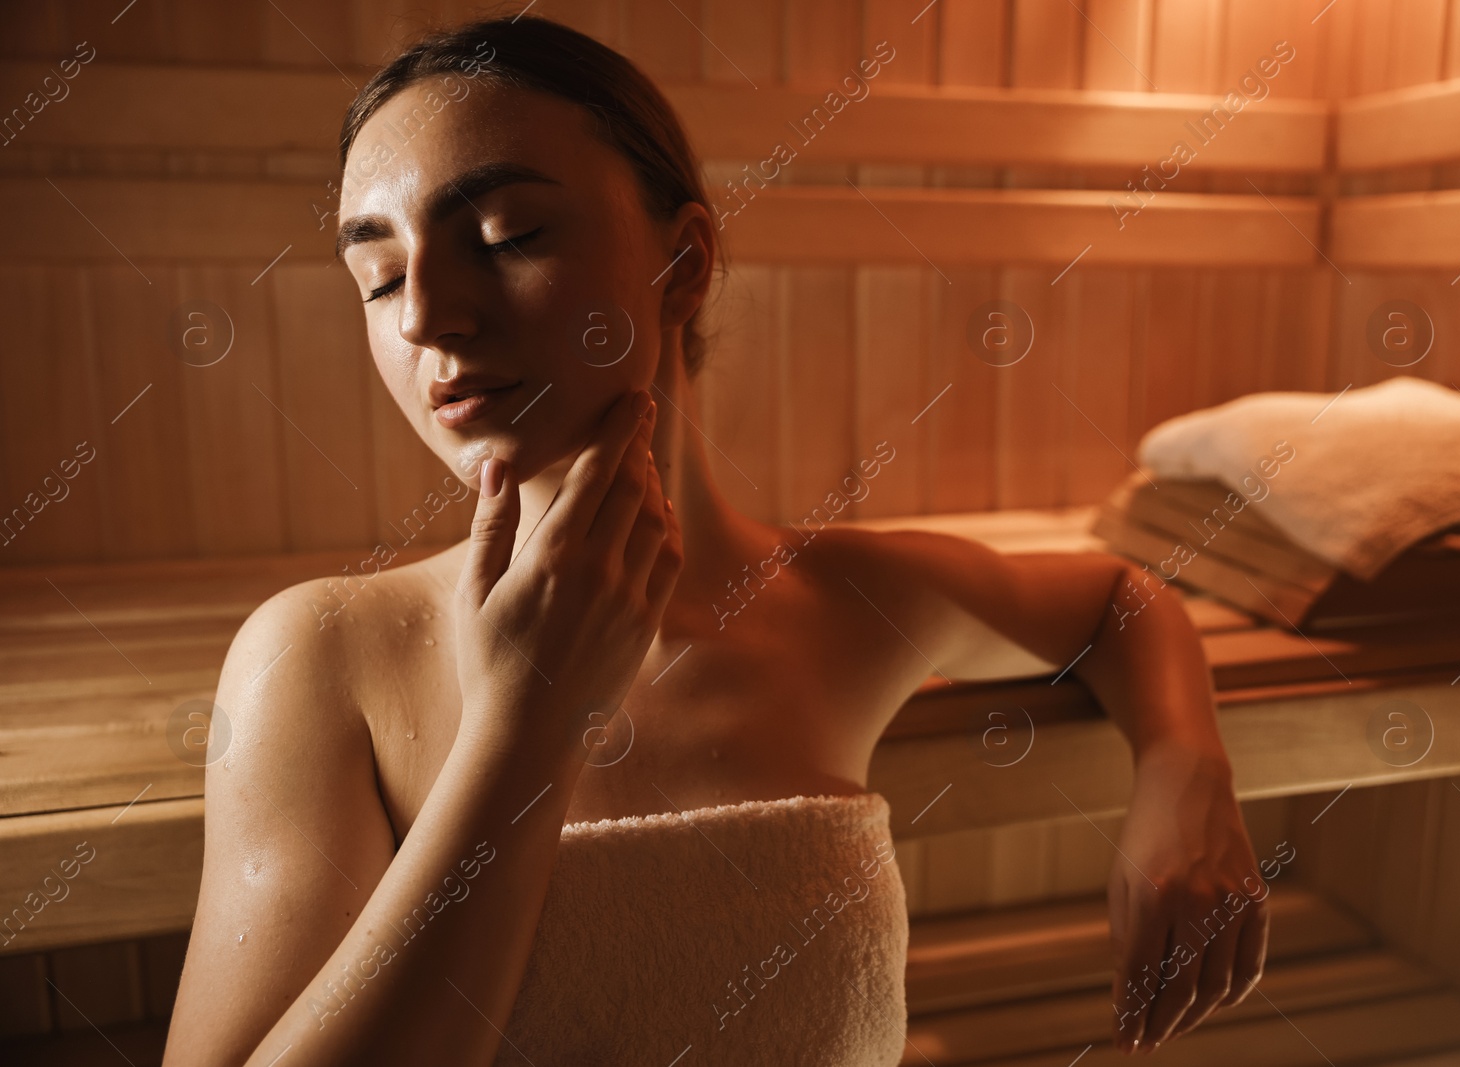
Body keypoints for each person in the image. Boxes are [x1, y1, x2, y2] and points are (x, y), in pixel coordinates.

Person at [164, 16, 1266, 1065]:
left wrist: (1184, 765)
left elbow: (1120, 599)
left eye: (507, 235)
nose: (424, 316)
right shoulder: (318, 658)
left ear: (681, 265)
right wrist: (524, 723)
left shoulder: (840, 604)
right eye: (381, 274)